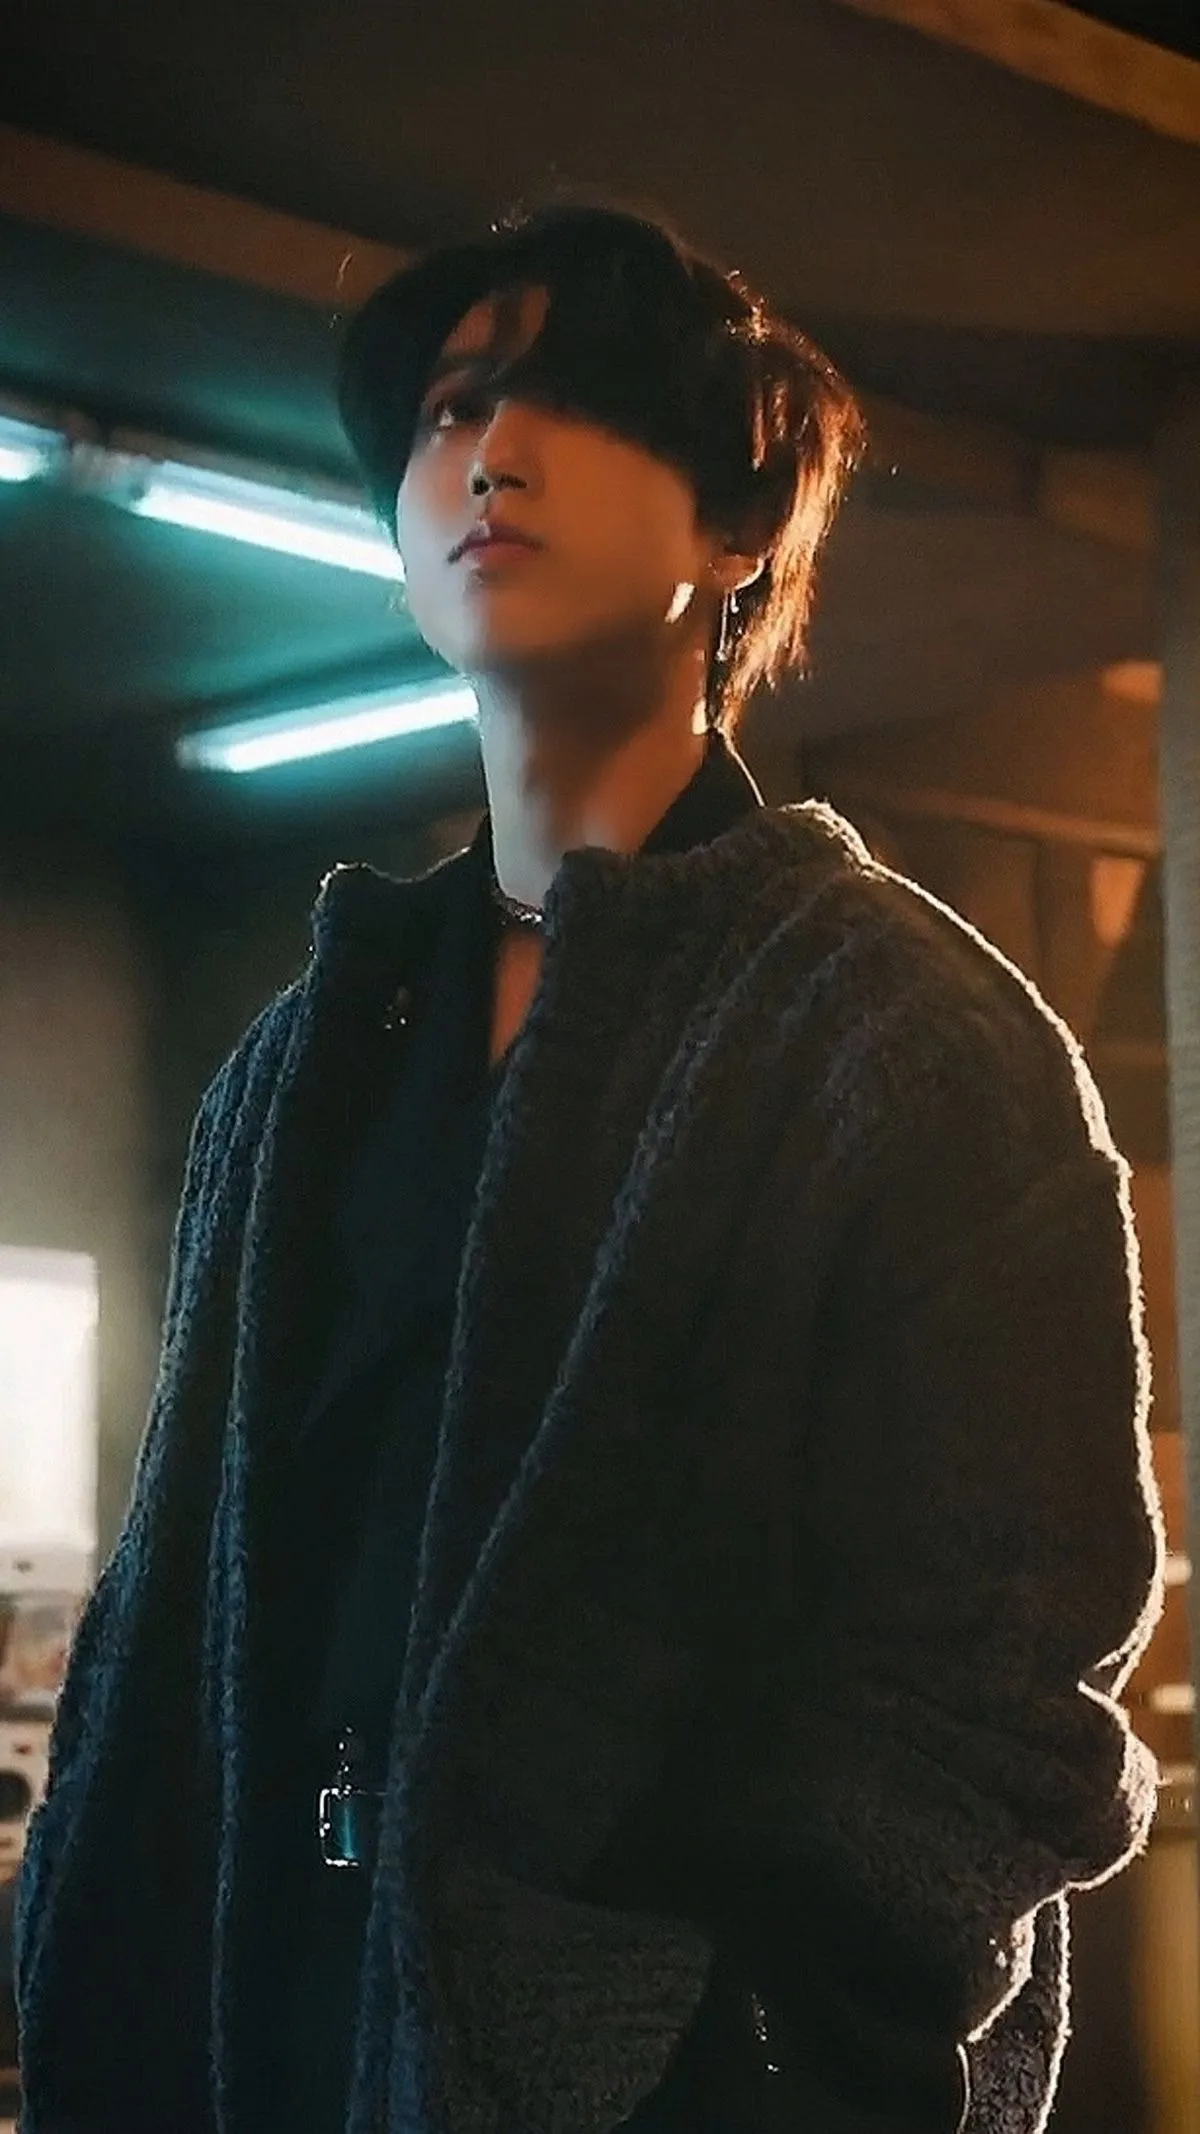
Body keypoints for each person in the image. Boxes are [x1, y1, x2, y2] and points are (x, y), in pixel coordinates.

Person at [14, 191, 1163, 2134]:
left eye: (577, 402)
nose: (491, 452)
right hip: (259, 2045)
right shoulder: (302, 1062)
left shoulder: (905, 1036)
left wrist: (723, 2043)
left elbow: (1007, 1667)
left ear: (737, 529)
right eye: (451, 411)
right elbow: (182, 1597)